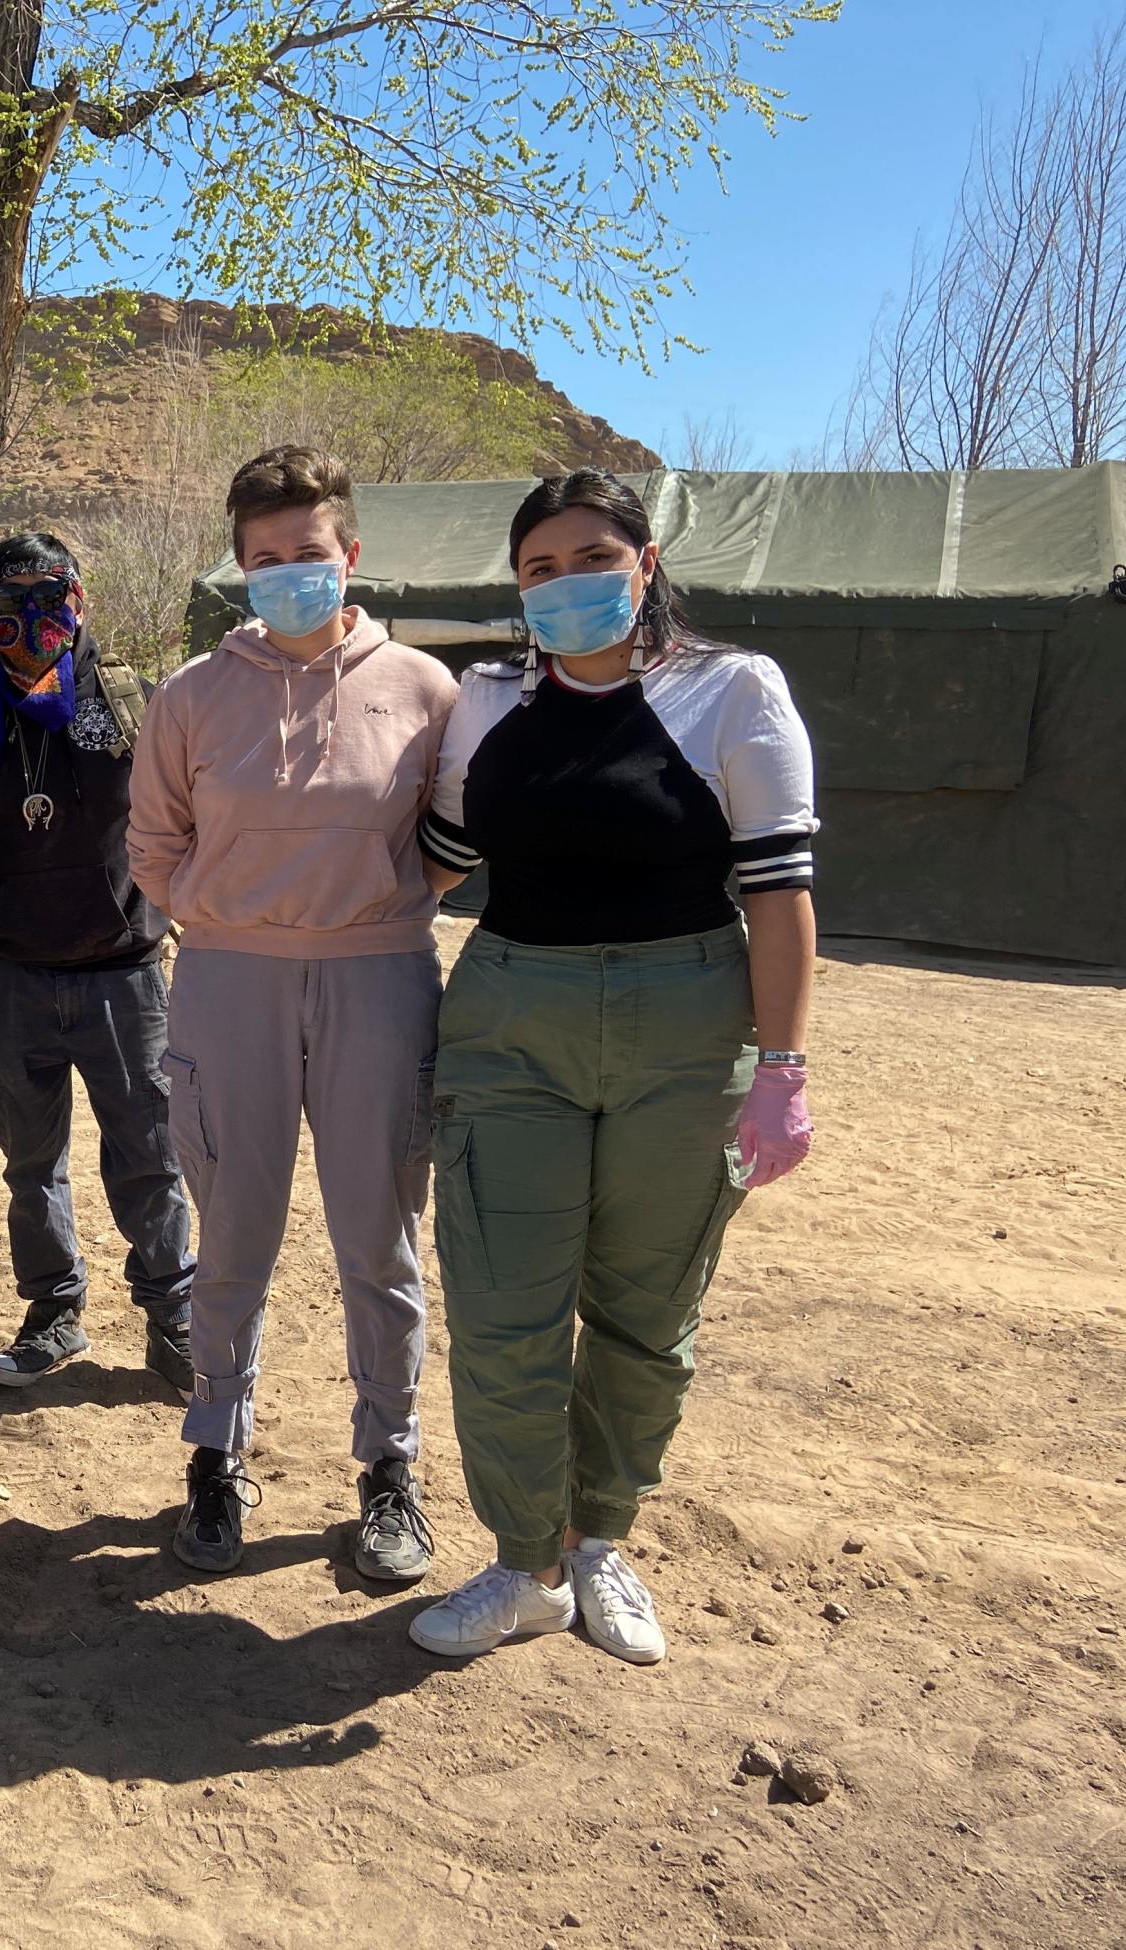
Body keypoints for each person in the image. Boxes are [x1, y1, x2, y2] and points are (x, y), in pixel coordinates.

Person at [408, 469, 818, 1665]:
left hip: (686, 1026)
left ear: (643, 564)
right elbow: (427, 866)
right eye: (537, 569)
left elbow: (781, 893)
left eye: (590, 559)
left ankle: (599, 1542)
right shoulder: (483, 705)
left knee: (644, 1314)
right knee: (500, 1311)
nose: (564, 585)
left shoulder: (732, 691)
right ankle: (521, 1563)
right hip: (508, 1024)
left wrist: (783, 1067)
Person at [127, 445, 459, 1581]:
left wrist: (359, 912)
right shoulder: (190, 695)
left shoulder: (421, 688)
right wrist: (228, 922)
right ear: (238, 564)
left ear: (348, 555)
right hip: (227, 980)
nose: (286, 574)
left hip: (378, 977)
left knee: (380, 1240)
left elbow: (448, 843)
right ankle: (215, 1455)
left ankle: (388, 1469)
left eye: (306, 554)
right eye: (262, 558)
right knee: (232, 1240)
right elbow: (152, 841)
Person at [0, 533, 194, 1393]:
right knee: (31, 1168)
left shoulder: (136, 706)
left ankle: (174, 1316)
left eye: (51, 595)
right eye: (10, 599)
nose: (32, 617)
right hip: (10, 980)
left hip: (125, 976)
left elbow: (187, 819)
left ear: (82, 599)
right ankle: (54, 1314)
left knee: (150, 1153)